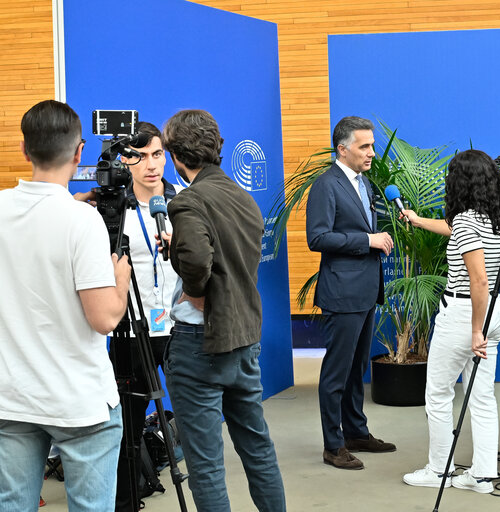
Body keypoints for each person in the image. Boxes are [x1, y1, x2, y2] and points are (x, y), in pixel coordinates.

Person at [0, 99, 131, 511]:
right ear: (78, 154)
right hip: (79, 404)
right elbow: (105, 318)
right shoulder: (82, 222)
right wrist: (121, 282)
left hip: (13, 397)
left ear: (24, 150)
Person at [161, 109, 286, 511]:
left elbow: (199, 261)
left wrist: (195, 291)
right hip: (244, 338)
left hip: (201, 345)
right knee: (258, 450)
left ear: (177, 156)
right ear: (219, 147)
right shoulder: (243, 197)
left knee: (206, 465)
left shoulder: (188, 202)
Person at [401, 149, 500, 494]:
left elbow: (478, 280)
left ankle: (439, 470)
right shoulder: (497, 219)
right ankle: (482, 475)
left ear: (458, 183)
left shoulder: (465, 221)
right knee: (481, 397)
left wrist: (475, 330)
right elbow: (452, 229)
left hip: (465, 316)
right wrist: (417, 220)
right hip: (494, 312)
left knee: (438, 395)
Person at [306, 116, 397, 470]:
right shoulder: (326, 186)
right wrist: (367, 240)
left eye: (372, 145)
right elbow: (318, 238)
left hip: (364, 291)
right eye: (365, 146)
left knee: (357, 368)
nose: (372, 153)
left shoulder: (365, 184)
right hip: (342, 294)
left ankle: (356, 432)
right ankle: (333, 445)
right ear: (342, 149)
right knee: (337, 373)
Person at [112, 121, 181, 512]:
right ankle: (126, 497)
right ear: (126, 160)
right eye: (140, 156)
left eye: (157, 154)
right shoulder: (115, 210)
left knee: (191, 412)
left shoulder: (181, 201)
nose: (152, 164)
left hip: (178, 324)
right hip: (133, 326)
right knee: (128, 420)